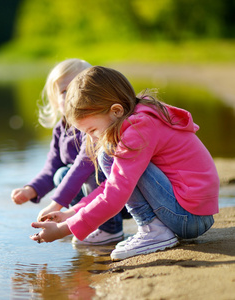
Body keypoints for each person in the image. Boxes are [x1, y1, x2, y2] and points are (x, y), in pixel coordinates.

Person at [30, 66, 220, 261]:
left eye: (92, 129)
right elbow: (110, 185)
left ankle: (153, 231)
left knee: (107, 154)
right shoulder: (138, 117)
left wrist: (63, 230)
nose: (92, 139)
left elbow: (116, 192)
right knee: (110, 156)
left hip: (188, 218)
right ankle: (155, 229)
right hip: (191, 213)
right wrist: (72, 213)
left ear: (116, 111)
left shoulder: (139, 130)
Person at [11, 60, 125, 245]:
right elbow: (51, 166)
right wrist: (30, 190)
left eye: (79, 90)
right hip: (91, 199)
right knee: (60, 174)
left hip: (116, 194)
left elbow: (83, 165)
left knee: (88, 171)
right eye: (65, 92)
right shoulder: (60, 130)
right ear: (56, 102)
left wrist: (57, 203)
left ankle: (109, 229)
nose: (74, 96)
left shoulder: (93, 126)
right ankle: (82, 222)